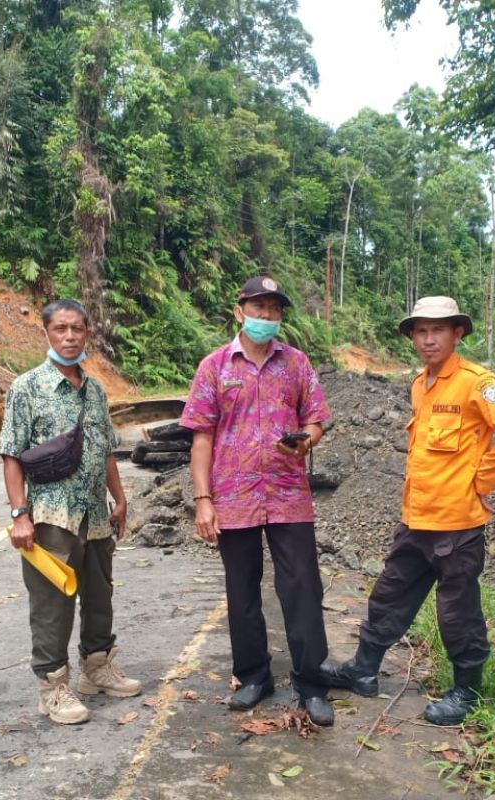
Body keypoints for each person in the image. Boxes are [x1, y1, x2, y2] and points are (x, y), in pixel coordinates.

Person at [322, 296, 495, 726]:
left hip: (458, 527)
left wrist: (482, 482)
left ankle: (466, 692)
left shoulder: (477, 383)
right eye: (420, 330)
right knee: (389, 594)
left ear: (457, 334)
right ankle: (364, 670)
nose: (428, 339)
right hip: (417, 519)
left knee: (457, 611)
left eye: (438, 330)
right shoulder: (421, 384)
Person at [181, 275, 336, 726]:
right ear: (239, 311)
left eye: (274, 309)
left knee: (302, 586)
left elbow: (317, 419)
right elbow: (201, 438)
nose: (266, 317)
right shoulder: (214, 367)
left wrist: (305, 440)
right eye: (258, 308)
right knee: (241, 588)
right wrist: (203, 499)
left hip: (288, 493)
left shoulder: (297, 364)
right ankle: (253, 676)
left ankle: (312, 683)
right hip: (233, 495)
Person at [0, 299, 140, 725]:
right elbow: (11, 455)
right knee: (52, 603)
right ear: (46, 333)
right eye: (61, 329)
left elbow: (106, 449)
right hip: (51, 514)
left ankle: (96, 670)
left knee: (100, 594)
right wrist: (19, 514)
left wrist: (120, 496)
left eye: (77, 329)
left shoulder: (95, 389)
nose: (70, 336)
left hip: (95, 513)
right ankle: (53, 686)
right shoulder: (26, 387)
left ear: (88, 333)